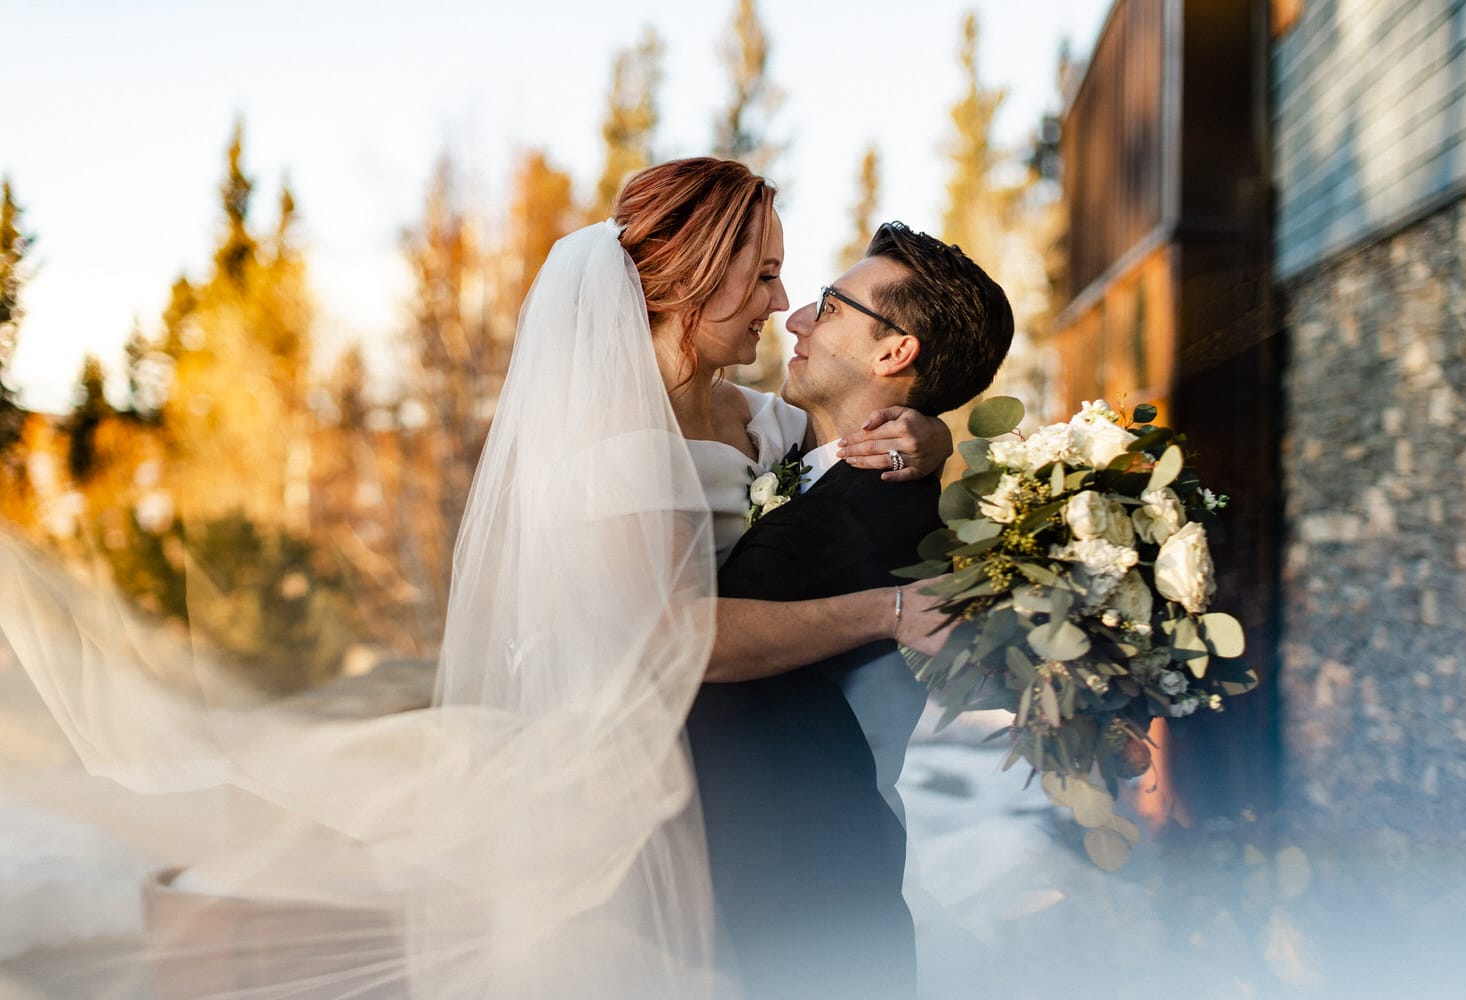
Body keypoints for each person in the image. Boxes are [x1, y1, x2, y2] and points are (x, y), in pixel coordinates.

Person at [0, 157, 958, 999]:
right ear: (691, 282)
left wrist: (930, 428)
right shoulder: (620, 443)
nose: (778, 301)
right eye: (762, 274)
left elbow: (834, 456)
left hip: (744, 767)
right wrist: (886, 610)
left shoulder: (755, 418)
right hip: (637, 780)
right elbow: (671, 637)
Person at [687, 223, 1015, 999]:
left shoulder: (871, 512)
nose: (796, 317)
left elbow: (686, 643)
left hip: (800, 907)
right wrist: (936, 435)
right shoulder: (826, 467)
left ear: (894, 353)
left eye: (830, 307)